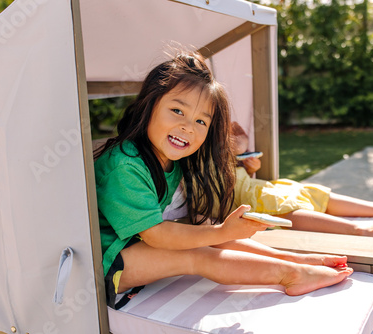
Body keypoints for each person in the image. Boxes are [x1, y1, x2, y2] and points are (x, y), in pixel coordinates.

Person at [93, 51, 353, 310]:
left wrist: (220, 232)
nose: (188, 127)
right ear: (148, 106)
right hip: (108, 265)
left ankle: (295, 261)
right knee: (199, 255)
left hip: (132, 250)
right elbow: (157, 235)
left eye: (200, 121)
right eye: (176, 110)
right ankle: (292, 275)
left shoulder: (170, 159)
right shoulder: (124, 165)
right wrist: (220, 231)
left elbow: (197, 228)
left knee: (207, 231)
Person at [230, 122, 373, 239]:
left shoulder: (231, 159)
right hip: (250, 198)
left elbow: (242, 168)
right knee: (286, 212)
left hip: (260, 188)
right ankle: (364, 231)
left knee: (308, 192)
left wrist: (250, 167)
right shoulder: (208, 165)